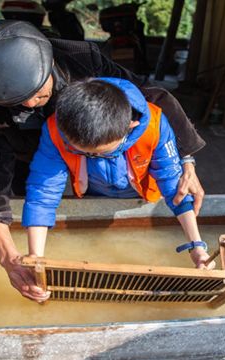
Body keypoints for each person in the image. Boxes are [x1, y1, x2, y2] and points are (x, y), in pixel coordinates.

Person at [0, 20, 206, 302]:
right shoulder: (5, 119)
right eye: (17, 101)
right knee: (29, 187)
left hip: (110, 152)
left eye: (39, 92)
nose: (30, 104)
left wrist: (186, 159)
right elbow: (10, 185)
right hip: (36, 153)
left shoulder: (84, 63)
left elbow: (151, 100)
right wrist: (15, 256)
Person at [23, 78, 214, 301]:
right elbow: (43, 192)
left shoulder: (154, 125)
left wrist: (197, 247)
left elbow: (173, 186)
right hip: (92, 191)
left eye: (100, 152)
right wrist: (36, 259)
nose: (93, 156)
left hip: (140, 192)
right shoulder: (57, 128)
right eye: (84, 153)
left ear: (129, 127)